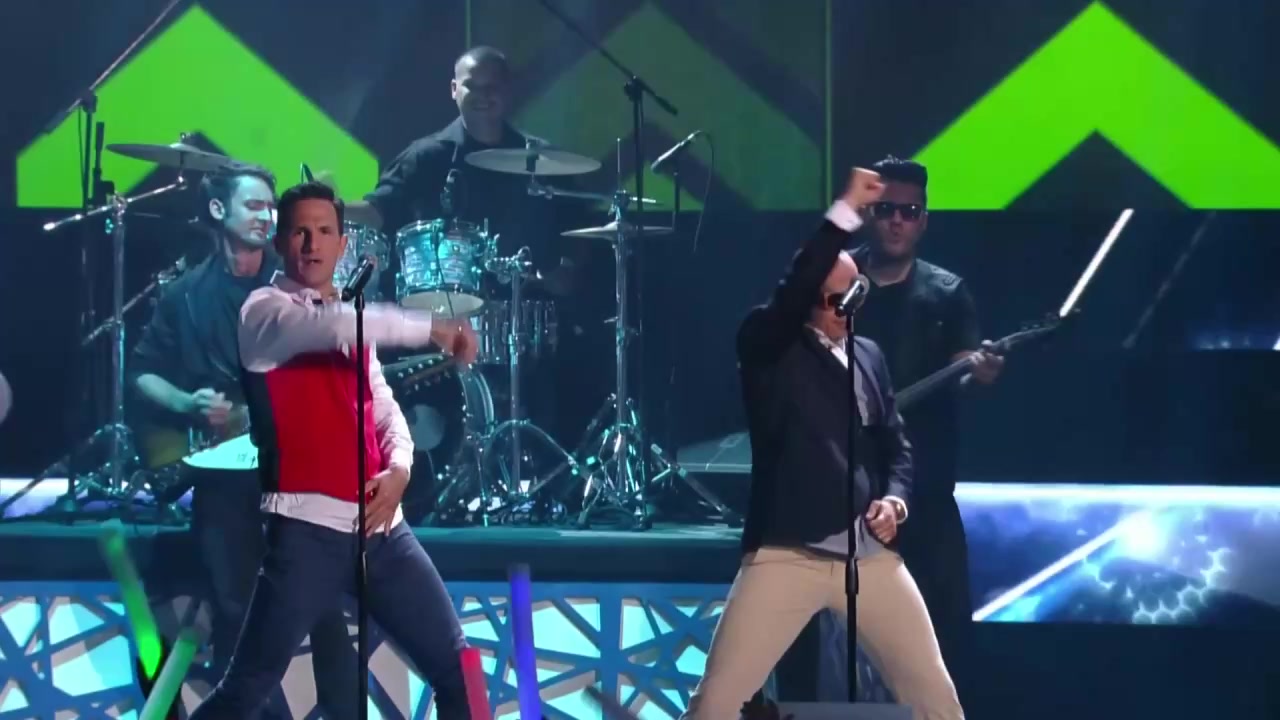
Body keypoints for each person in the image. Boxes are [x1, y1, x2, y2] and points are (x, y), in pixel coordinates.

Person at [187, 181, 479, 720]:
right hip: (306, 532)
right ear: (279, 242)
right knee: (245, 690)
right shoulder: (264, 312)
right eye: (300, 231)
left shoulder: (347, 314)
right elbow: (329, 325)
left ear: (343, 245)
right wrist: (431, 326)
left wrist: (399, 471)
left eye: (324, 231)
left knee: (459, 669)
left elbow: (383, 406)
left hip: (381, 530)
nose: (312, 243)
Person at [682, 168, 963, 720]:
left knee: (937, 700)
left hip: (870, 556)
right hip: (790, 553)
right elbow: (797, 285)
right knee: (717, 704)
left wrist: (895, 501)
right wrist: (846, 211)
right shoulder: (770, 346)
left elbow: (896, 446)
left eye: (855, 295)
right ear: (808, 299)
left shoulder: (870, 356)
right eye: (835, 298)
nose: (847, 309)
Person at [130, 163, 359, 718]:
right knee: (234, 604)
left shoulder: (298, 288)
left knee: (326, 613)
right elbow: (142, 372)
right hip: (220, 477)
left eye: (270, 207)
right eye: (254, 205)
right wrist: (187, 403)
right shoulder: (185, 295)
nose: (267, 216)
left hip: (295, 474)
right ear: (218, 211)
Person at [849, 156, 1003, 704]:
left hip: (924, 498)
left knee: (939, 646)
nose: (897, 220)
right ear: (870, 213)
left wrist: (978, 372)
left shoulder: (946, 293)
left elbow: (966, 367)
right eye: (887, 209)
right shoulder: (839, 280)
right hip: (846, 497)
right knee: (846, 649)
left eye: (909, 212)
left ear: (923, 221)